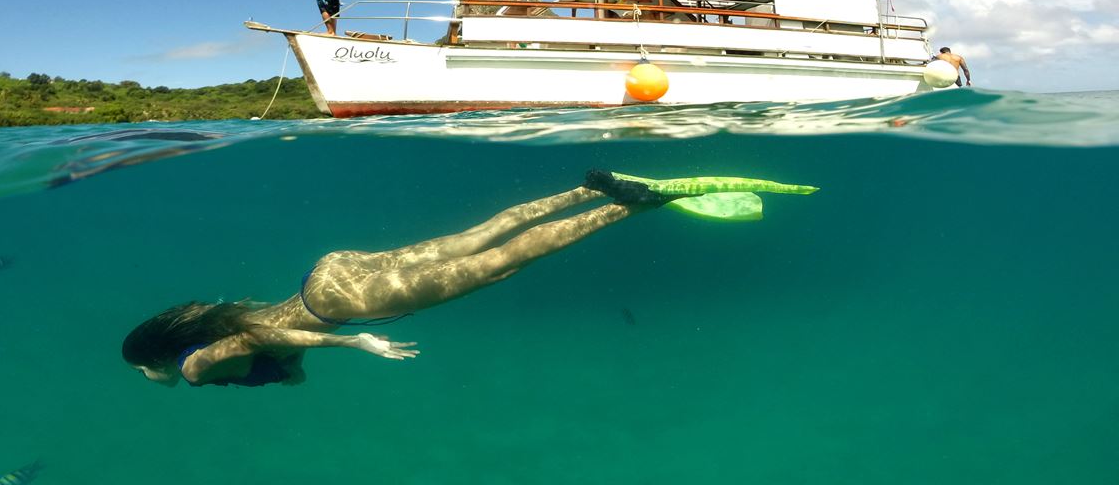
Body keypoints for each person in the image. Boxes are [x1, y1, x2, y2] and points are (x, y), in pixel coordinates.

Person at [122, 170, 818, 388]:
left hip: (348, 305)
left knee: (505, 260)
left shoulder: (198, 364)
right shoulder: (211, 322)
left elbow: (271, 341)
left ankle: (630, 205)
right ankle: (587, 188)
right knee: (483, 232)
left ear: (163, 352)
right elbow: (272, 344)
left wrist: (360, 346)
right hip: (330, 273)